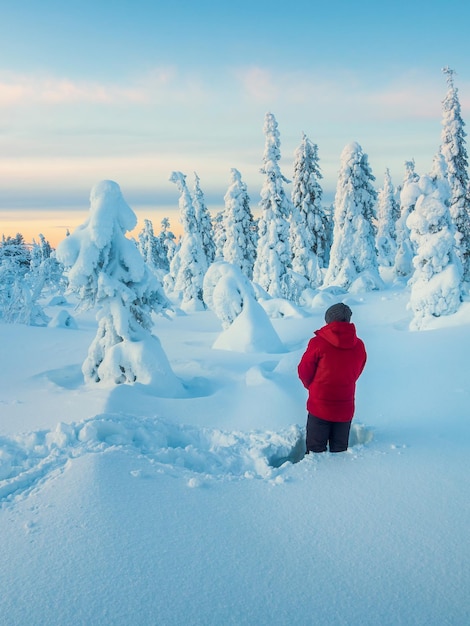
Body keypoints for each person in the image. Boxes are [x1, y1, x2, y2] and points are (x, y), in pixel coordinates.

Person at [298, 302, 367, 453]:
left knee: (315, 453)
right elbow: (358, 371)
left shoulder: (317, 343)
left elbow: (304, 371)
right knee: (340, 453)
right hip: (345, 408)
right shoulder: (359, 345)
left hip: (319, 406)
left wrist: (313, 386)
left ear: (328, 320)